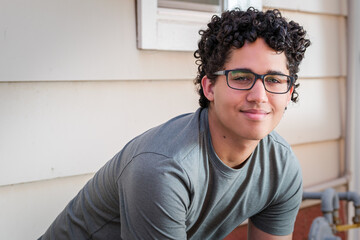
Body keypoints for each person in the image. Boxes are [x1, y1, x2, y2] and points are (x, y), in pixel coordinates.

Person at [39, 7, 310, 240]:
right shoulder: (162, 168)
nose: (259, 96)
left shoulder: (281, 166)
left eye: (274, 80)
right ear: (209, 88)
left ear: (288, 92)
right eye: (240, 77)